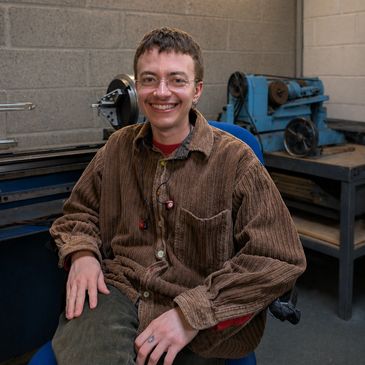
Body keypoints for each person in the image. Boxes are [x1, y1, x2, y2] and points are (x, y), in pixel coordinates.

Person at [50, 27, 306, 365]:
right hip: (119, 291)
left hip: (202, 303)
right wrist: (82, 253)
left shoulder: (236, 162)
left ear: (197, 90)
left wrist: (192, 314)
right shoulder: (115, 150)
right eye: (149, 79)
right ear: (137, 87)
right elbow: (79, 212)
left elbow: (278, 257)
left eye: (177, 80)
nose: (162, 92)